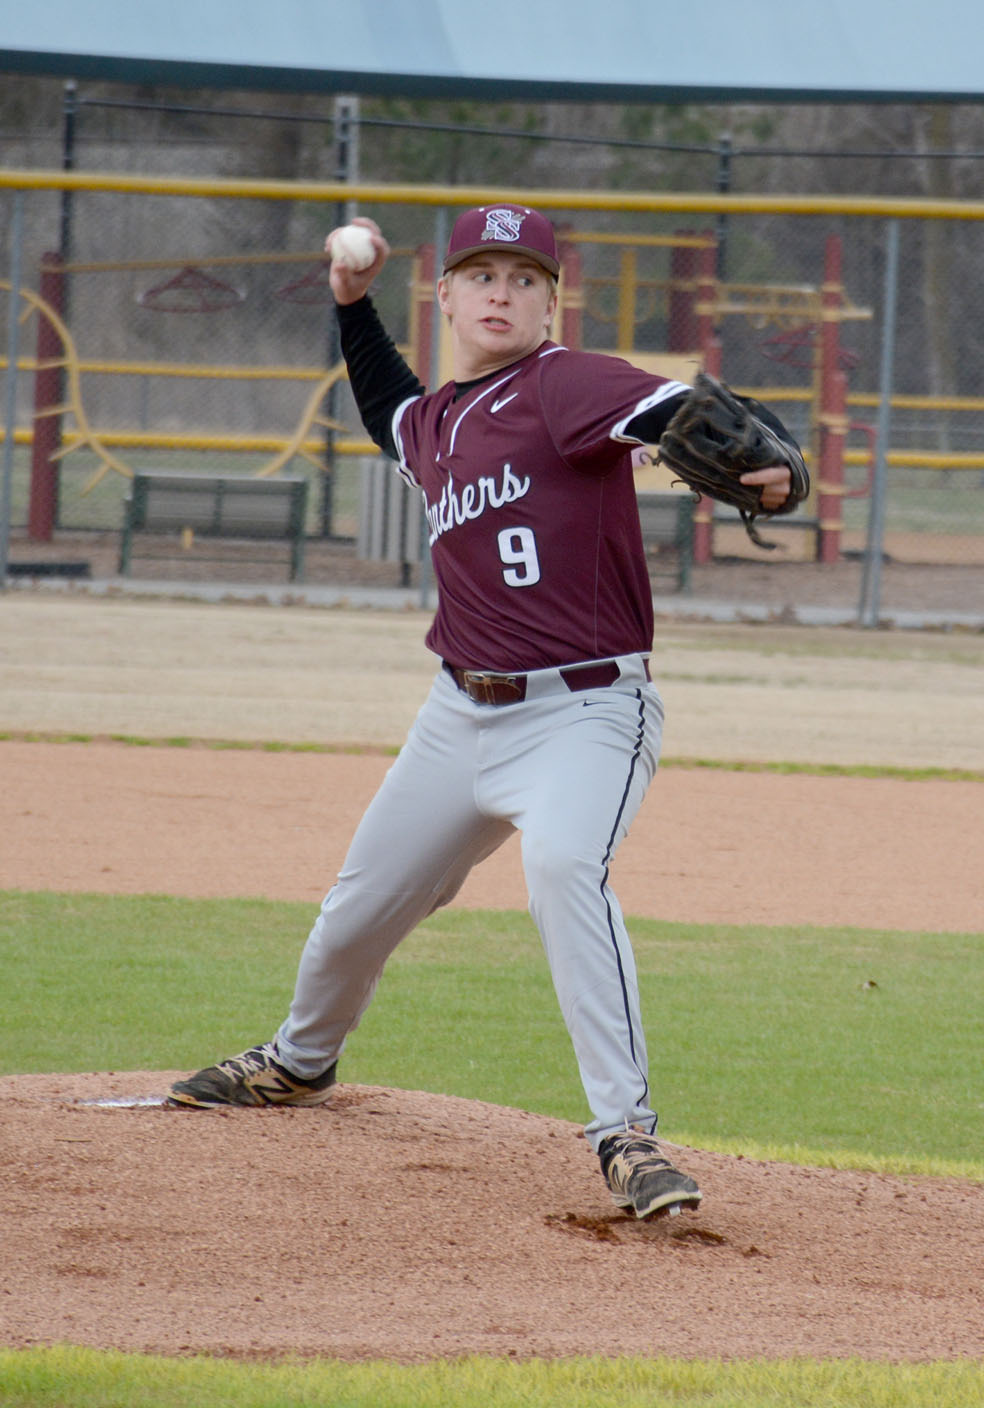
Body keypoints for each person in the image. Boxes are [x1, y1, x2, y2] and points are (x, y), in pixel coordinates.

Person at [170, 204, 805, 1219]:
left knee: (563, 867)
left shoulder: (567, 383)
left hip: (586, 712)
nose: (501, 291)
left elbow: (674, 408)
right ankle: (299, 1061)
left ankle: (625, 1134)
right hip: (455, 716)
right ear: (449, 297)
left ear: (551, 302)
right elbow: (387, 405)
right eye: (482, 274)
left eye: (522, 276)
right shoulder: (434, 427)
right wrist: (348, 301)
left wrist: (771, 468)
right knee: (355, 913)